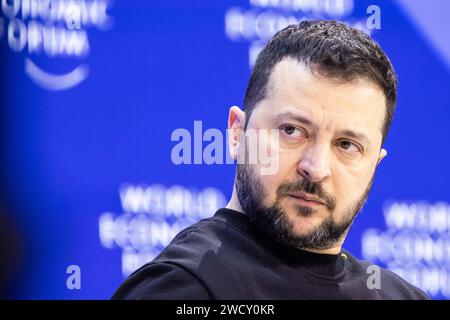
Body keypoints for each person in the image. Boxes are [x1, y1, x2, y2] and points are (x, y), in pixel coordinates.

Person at [112, 20, 429, 299]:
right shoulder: (183, 288)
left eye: (346, 145)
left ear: (375, 165)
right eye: (292, 130)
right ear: (237, 134)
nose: (315, 168)